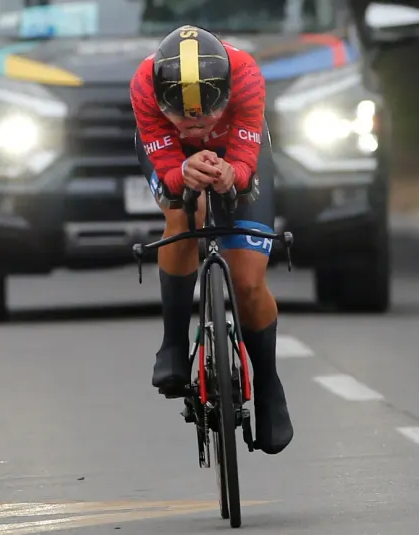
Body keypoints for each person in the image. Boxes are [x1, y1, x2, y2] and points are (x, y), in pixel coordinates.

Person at [129, 25, 293, 455]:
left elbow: (243, 158)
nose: (197, 125)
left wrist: (230, 174)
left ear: (226, 90)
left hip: (237, 152)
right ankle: (173, 342)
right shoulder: (144, 83)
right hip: (174, 158)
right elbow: (162, 155)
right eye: (182, 115)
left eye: (206, 113)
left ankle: (269, 383)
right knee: (186, 214)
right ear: (162, 98)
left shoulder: (246, 75)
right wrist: (180, 173)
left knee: (248, 281)